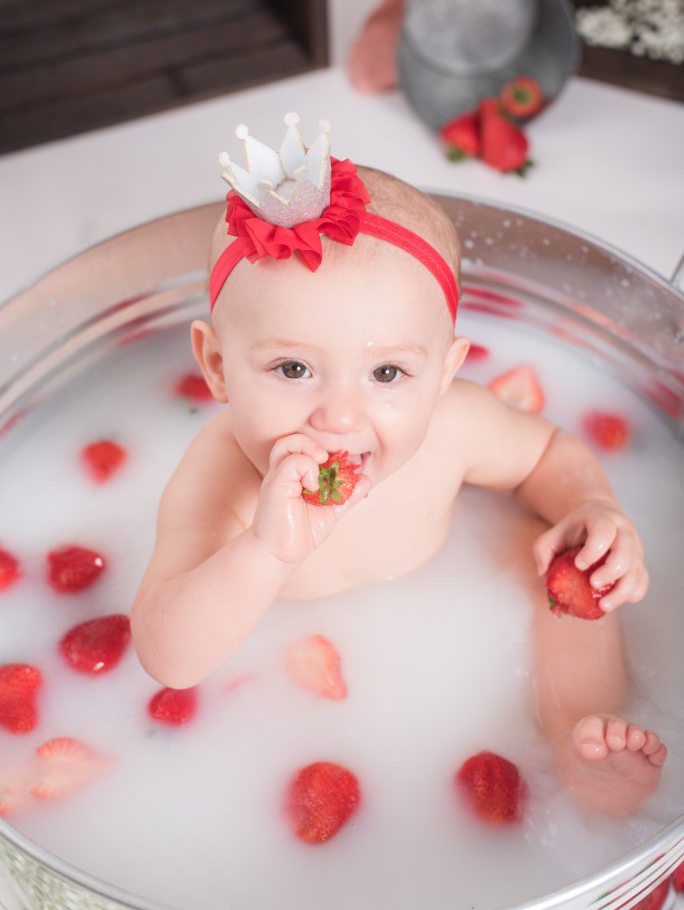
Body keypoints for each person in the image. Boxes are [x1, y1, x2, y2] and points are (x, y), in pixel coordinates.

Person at [131, 117, 666, 819]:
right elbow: (168, 656)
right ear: (217, 367)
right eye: (293, 369)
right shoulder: (222, 473)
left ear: (445, 373)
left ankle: (578, 735)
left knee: (568, 564)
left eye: (387, 372)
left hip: (462, 597)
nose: (341, 417)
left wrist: (595, 507)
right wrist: (264, 551)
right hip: (290, 669)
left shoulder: (454, 426)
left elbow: (546, 454)